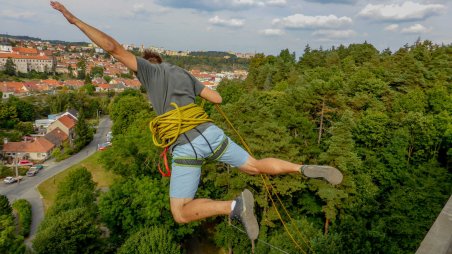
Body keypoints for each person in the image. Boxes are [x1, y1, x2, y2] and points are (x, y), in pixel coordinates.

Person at [51, 1, 343, 241]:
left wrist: (74, 19)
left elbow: (113, 48)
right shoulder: (183, 73)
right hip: (211, 134)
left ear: (146, 65)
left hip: (186, 145)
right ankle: (301, 168)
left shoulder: (150, 73)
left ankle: (233, 206)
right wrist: (194, 90)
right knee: (254, 165)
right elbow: (217, 99)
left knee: (179, 212)